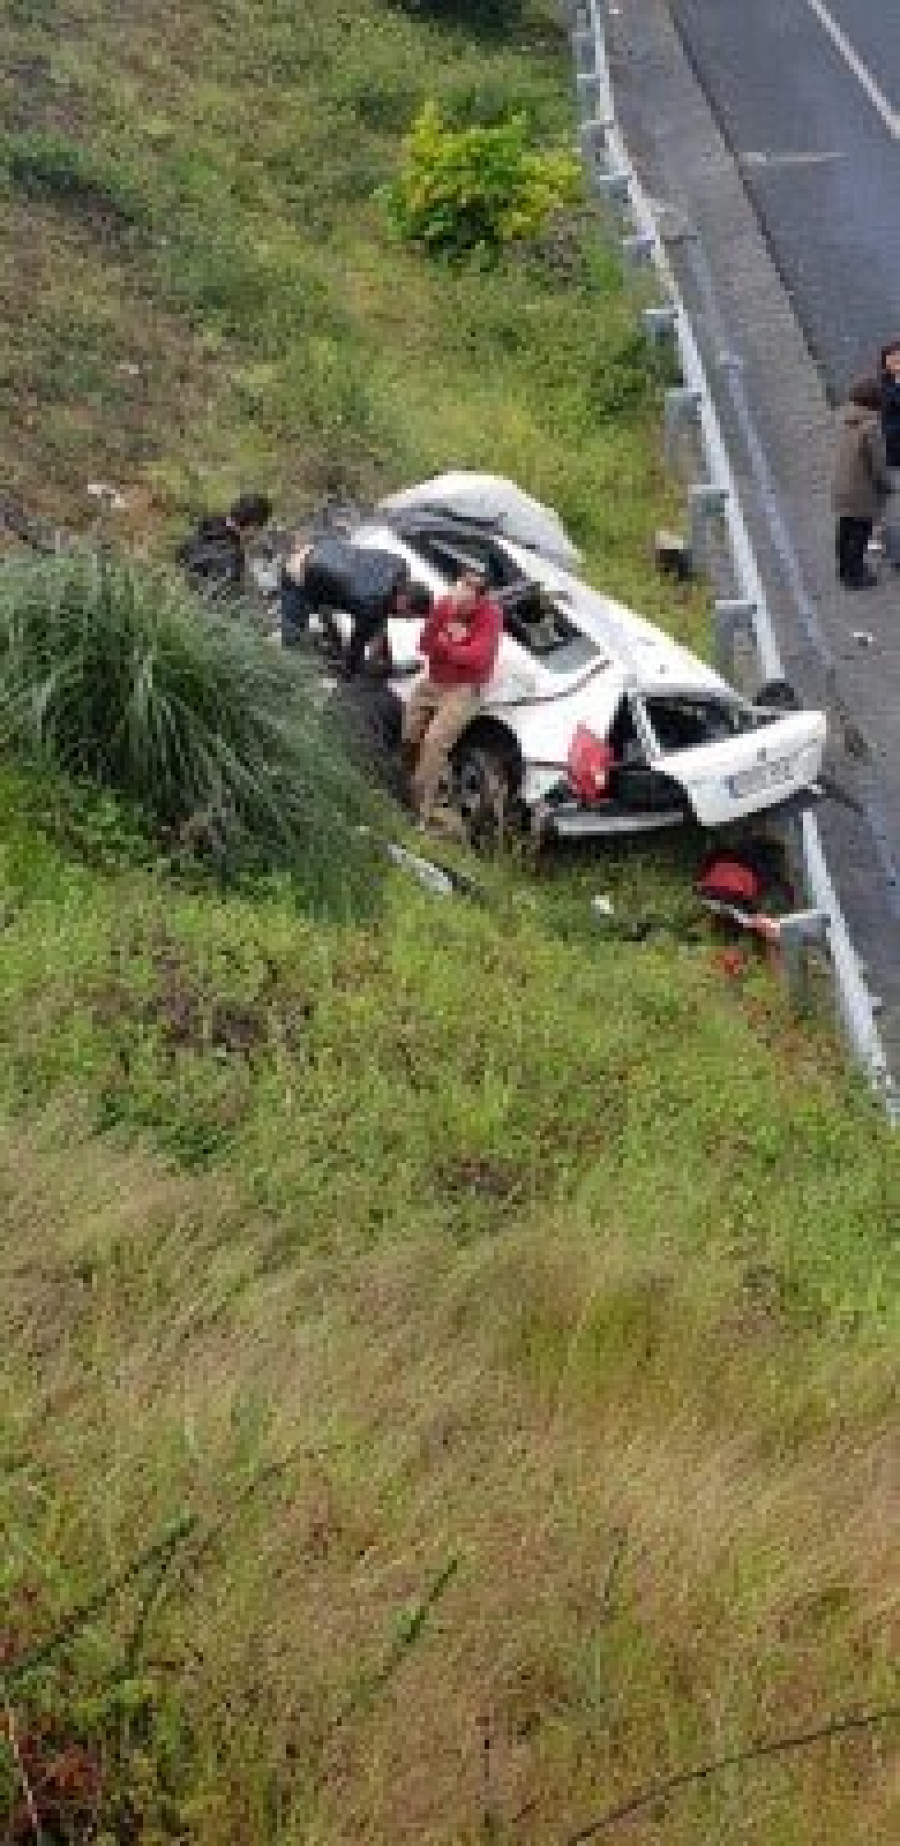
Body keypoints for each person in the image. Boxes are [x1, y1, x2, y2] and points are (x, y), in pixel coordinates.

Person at [402, 568, 503, 826]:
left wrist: (447, 645)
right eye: (454, 599)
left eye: (464, 604)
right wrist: (456, 646)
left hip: (464, 688)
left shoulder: (491, 616)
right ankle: (407, 783)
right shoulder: (445, 604)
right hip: (434, 680)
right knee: (410, 730)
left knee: (435, 741)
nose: (455, 607)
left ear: (479, 601)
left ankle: (418, 812)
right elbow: (424, 643)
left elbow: (478, 659)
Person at [280, 536, 431, 674]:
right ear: (404, 602)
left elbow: (381, 612)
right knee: (291, 644)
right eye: (408, 616)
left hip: (322, 549)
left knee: (366, 613)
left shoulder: (400, 566)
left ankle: (331, 628)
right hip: (297, 578)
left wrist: (380, 648)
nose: (405, 619)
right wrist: (351, 668)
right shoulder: (372, 606)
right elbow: (356, 647)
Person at [832, 377, 893, 589]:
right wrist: (887, 485)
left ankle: (844, 570)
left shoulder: (846, 418)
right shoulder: (871, 427)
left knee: (845, 527)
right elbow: (878, 463)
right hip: (862, 489)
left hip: (842, 483)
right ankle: (856, 575)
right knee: (861, 532)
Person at [177, 492, 272, 594]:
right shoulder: (233, 556)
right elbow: (232, 597)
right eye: (260, 528)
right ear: (253, 526)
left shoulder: (210, 523)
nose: (259, 534)